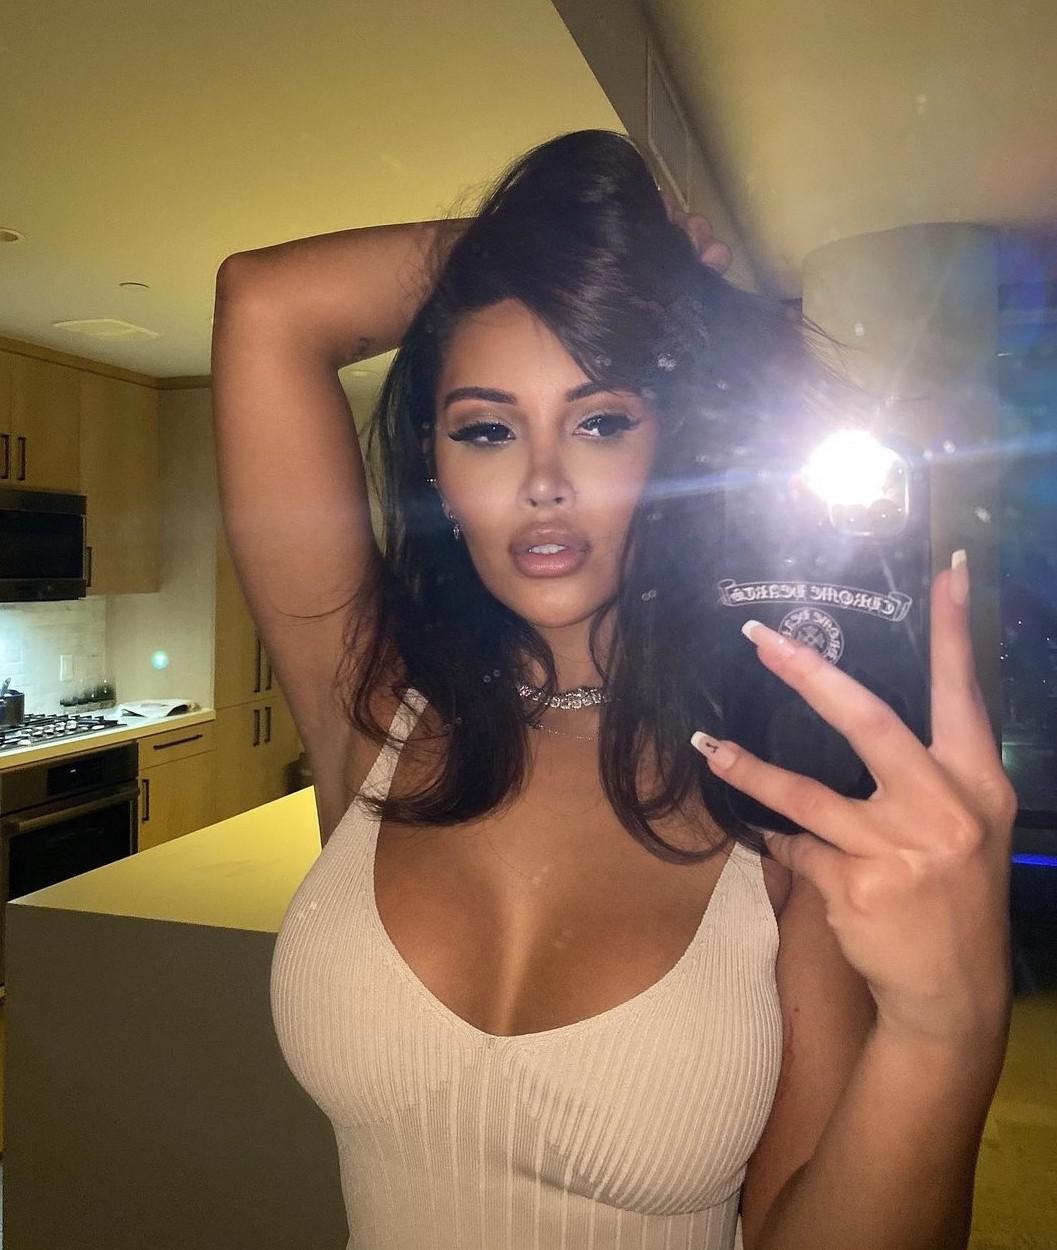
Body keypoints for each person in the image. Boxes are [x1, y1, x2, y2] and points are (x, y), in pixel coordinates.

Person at [210, 130, 1015, 1250]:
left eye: (599, 422)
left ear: (669, 449)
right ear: (437, 466)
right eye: (487, 429)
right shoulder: (376, 707)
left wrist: (947, 1032)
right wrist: (575, 256)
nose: (543, 481)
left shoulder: (774, 789)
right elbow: (265, 304)